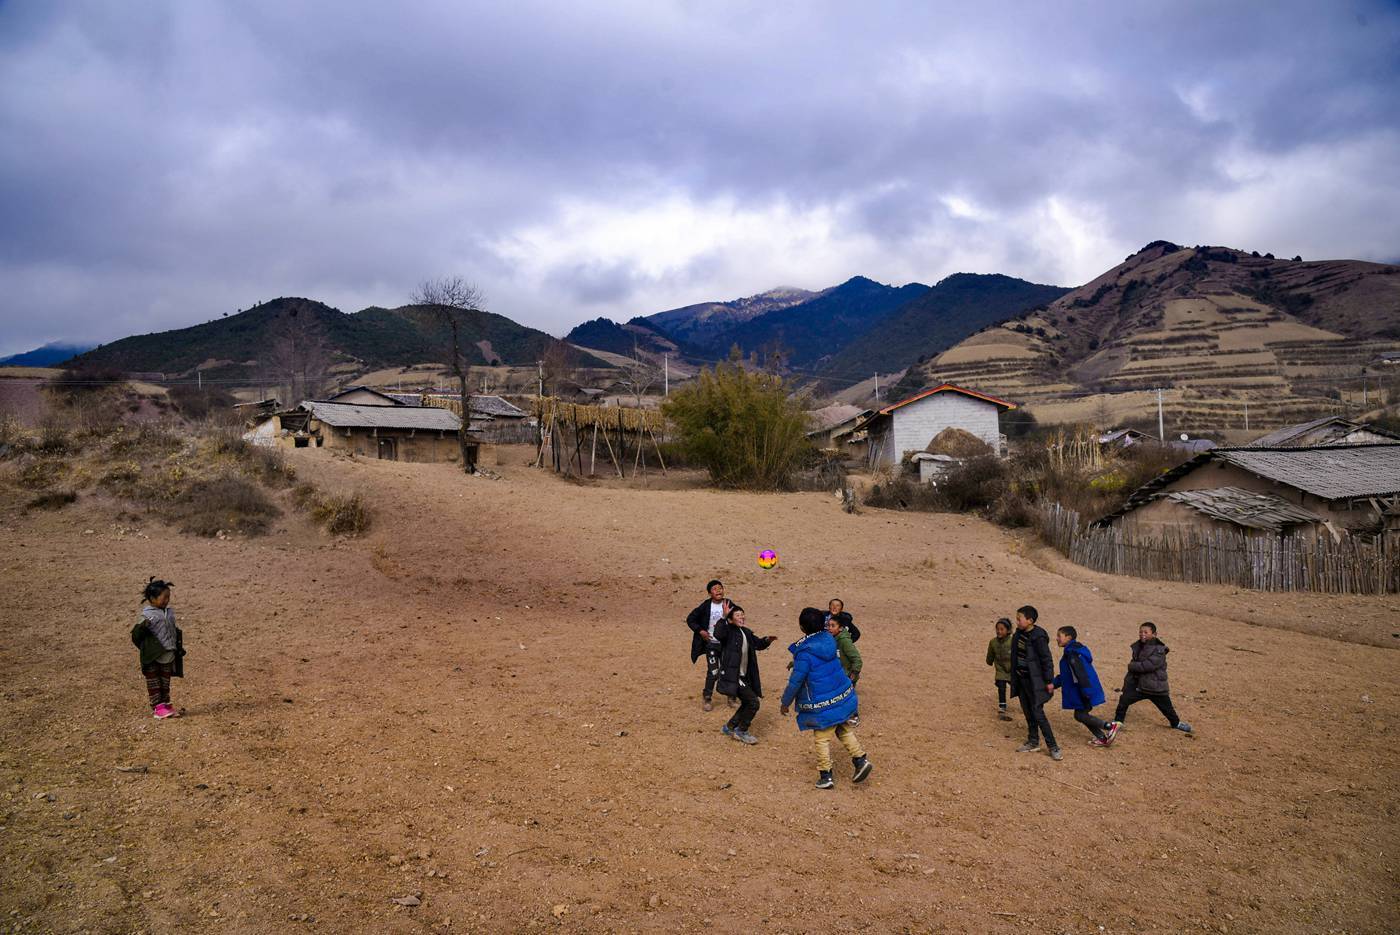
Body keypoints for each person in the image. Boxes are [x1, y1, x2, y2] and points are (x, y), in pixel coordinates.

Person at [780, 608, 872, 789]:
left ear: (801, 627)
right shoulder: (829, 639)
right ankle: (860, 760)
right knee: (843, 729)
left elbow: (796, 681)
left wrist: (785, 702)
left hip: (821, 702)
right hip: (840, 696)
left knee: (821, 737)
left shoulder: (804, 652)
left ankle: (826, 776)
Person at [1113, 622, 1192, 734]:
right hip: (1140, 686)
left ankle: (1176, 723)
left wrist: (1131, 666)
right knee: (1124, 699)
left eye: (1146, 632)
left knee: (1167, 708)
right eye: (1140, 632)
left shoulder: (1160, 650)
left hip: (1155, 687)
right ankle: (1118, 722)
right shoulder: (1139, 646)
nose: (1142, 634)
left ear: (1154, 634)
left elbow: (1147, 666)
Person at [713, 609, 777, 744]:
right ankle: (742, 730)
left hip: (744, 676)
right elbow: (718, 634)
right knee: (753, 703)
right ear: (730, 619)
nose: (742, 617)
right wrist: (723, 617)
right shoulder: (728, 631)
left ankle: (729, 727)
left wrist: (766, 640)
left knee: (748, 702)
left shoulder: (746, 632)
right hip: (734, 676)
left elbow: (757, 644)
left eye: (742, 614)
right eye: (737, 615)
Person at [1053, 626, 1120, 747]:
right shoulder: (1073, 651)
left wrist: (1086, 691)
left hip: (1084, 690)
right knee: (1081, 715)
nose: (1056, 638)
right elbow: (1067, 676)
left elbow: (1081, 674)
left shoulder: (1072, 654)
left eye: (1059, 636)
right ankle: (1102, 738)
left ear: (1068, 638)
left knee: (1080, 715)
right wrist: (1054, 684)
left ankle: (1110, 726)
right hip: (1084, 689)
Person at [1009, 605, 1061, 761]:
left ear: (1030, 621)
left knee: (1038, 713)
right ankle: (1033, 741)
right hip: (1022, 680)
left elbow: (1047, 660)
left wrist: (1049, 681)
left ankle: (1053, 746)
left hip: (1035, 683)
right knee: (1027, 711)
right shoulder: (1018, 634)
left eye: (1019, 619)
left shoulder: (1038, 637)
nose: (1017, 621)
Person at [130, 577, 184, 719]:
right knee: (154, 683)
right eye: (164, 597)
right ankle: (157, 708)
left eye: (169, 597)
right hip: (153, 657)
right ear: (152, 598)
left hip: (168, 654)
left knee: (165, 682)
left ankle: (165, 705)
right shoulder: (147, 616)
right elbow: (136, 636)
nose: (167, 600)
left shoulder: (169, 613)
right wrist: (148, 649)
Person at [685, 580, 741, 712]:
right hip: (711, 644)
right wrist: (701, 631)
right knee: (713, 672)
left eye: (720, 588)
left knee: (729, 671)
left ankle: (731, 698)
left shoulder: (729, 604)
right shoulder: (705, 606)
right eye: (715, 589)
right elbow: (690, 619)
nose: (718, 591)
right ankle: (707, 697)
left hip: (726, 645)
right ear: (710, 593)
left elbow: (739, 617)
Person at [825, 613, 862, 726]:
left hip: (847, 675)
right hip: (837, 674)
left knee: (848, 698)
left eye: (833, 626)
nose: (829, 628)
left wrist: (854, 672)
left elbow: (857, 658)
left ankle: (854, 717)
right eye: (828, 625)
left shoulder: (844, 641)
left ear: (840, 628)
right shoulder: (831, 639)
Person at [986, 617, 1014, 721]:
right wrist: (989, 661)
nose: (999, 631)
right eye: (997, 629)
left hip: (1012, 669)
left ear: (1008, 631)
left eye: (1002, 629)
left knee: (1018, 687)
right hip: (1000, 669)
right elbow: (990, 654)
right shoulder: (993, 642)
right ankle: (1002, 705)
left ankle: (1027, 703)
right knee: (1001, 686)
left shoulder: (1013, 641)